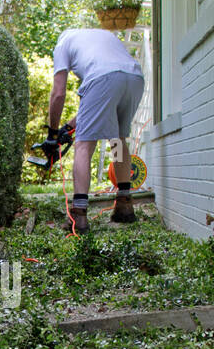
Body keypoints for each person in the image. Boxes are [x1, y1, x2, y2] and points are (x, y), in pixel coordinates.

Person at [44, 26, 145, 233]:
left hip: (104, 79)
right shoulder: (101, 37)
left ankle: (79, 215)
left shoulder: (63, 43)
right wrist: (68, 127)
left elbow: (58, 93)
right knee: (118, 140)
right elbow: (92, 104)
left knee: (83, 145)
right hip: (134, 77)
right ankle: (125, 204)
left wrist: (53, 133)